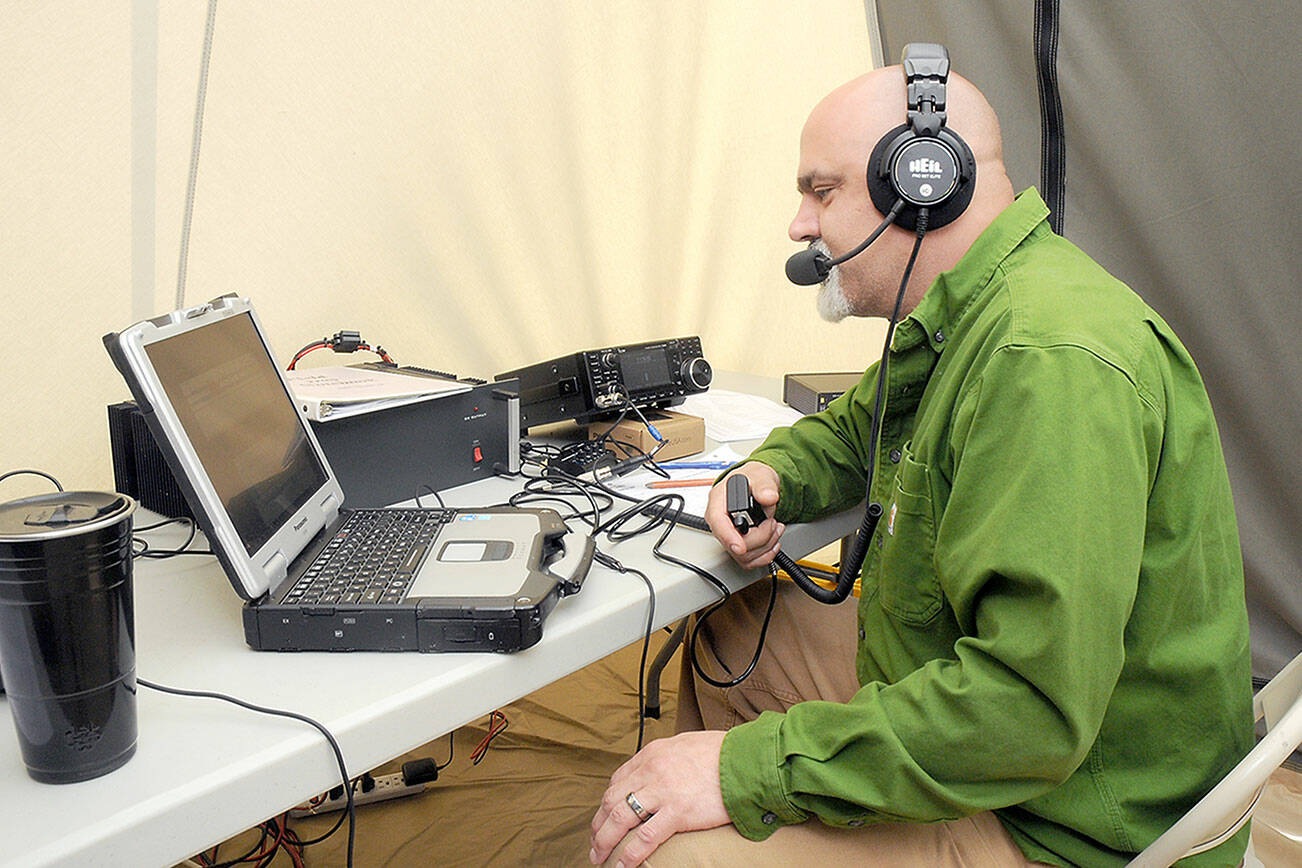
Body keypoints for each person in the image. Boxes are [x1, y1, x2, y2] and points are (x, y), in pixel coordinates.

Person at [588, 56, 1254, 868]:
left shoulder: (1045, 362)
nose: (800, 225)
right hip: (1011, 737)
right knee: (738, 629)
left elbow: (1027, 713)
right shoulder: (971, 310)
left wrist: (745, 769)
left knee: (674, 857)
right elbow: (853, 430)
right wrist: (769, 476)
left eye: (821, 191)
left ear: (922, 182)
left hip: (1064, 821)